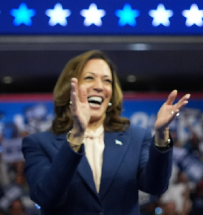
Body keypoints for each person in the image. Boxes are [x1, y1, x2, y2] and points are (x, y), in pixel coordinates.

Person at [22, 50, 190, 215]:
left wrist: (161, 135)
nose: (99, 87)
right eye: (89, 78)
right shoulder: (38, 143)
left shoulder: (137, 138)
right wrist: (77, 134)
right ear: (69, 88)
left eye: (107, 81)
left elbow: (155, 186)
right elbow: (47, 198)